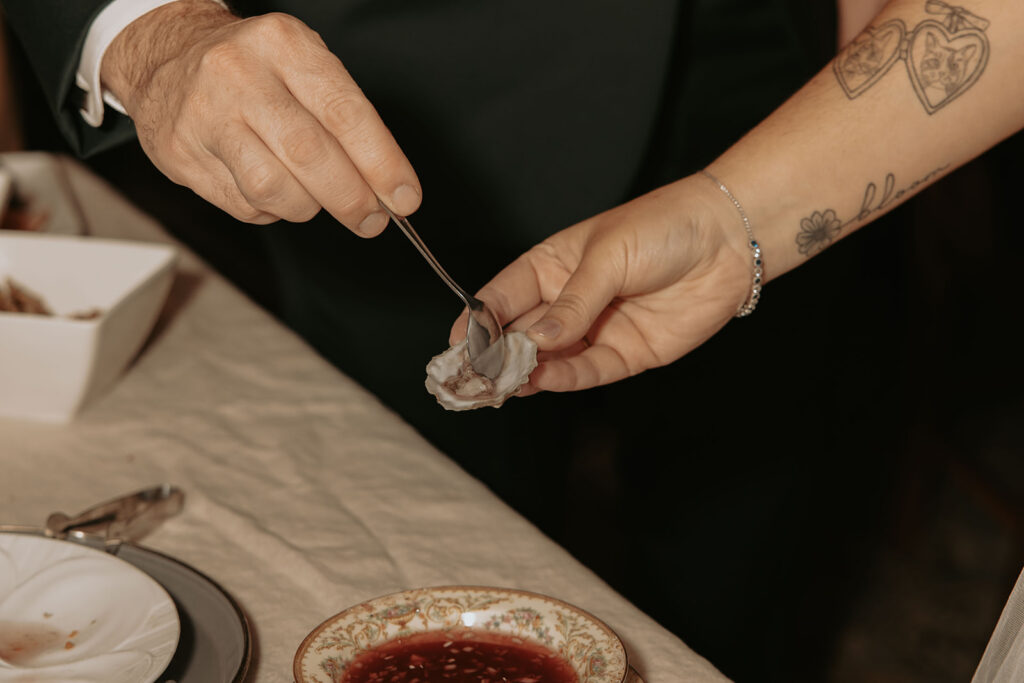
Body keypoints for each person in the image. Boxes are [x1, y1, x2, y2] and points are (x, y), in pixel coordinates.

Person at [2, 0, 1018, 679]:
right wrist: (148, 33)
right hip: (395, 90)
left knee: (754, 545)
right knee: (401, 554)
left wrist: (729, 219)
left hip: (794, 72)